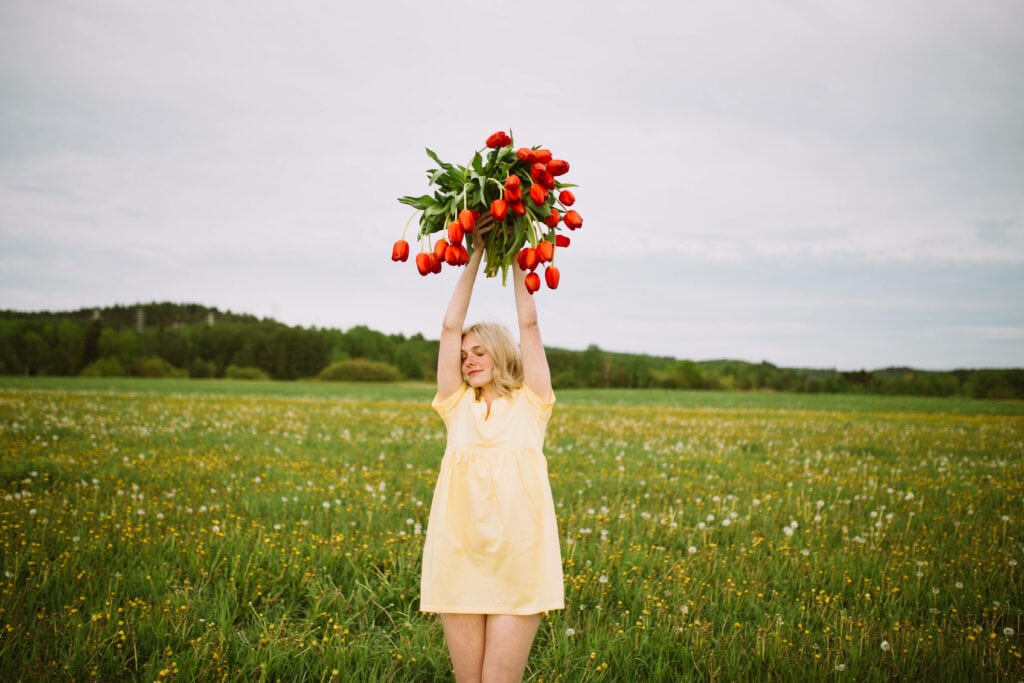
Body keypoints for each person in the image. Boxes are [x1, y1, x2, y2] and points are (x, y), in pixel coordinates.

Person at [419, 224, 564, 682]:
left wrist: (517, 251)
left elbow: (529, 325)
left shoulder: (532, 403)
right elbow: (447, 328)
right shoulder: (455, 405)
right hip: (459, 557)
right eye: (464, 356)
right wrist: (475, 253)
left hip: (519, 562)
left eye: (478, 351)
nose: (469, 361)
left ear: (501, 354)